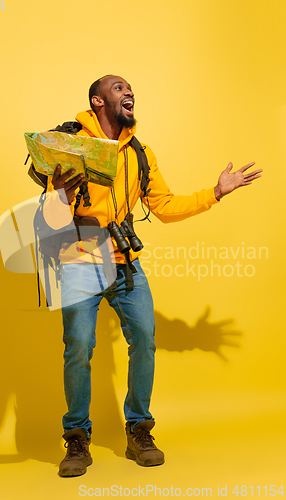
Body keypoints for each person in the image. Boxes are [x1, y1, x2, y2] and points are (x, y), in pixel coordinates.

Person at [43, 74, 262, 477]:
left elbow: (163, 205)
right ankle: (76, 438)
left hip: (125, 260)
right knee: (78, 346)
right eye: (117, 87)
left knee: (144, 338)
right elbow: (51, 218)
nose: (127, 91)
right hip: (78, 259)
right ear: (97, 101)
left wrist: (214, 193)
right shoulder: (70, 144)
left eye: (129, 87)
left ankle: (138, 430)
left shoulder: (140, 153)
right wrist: (59, 193)